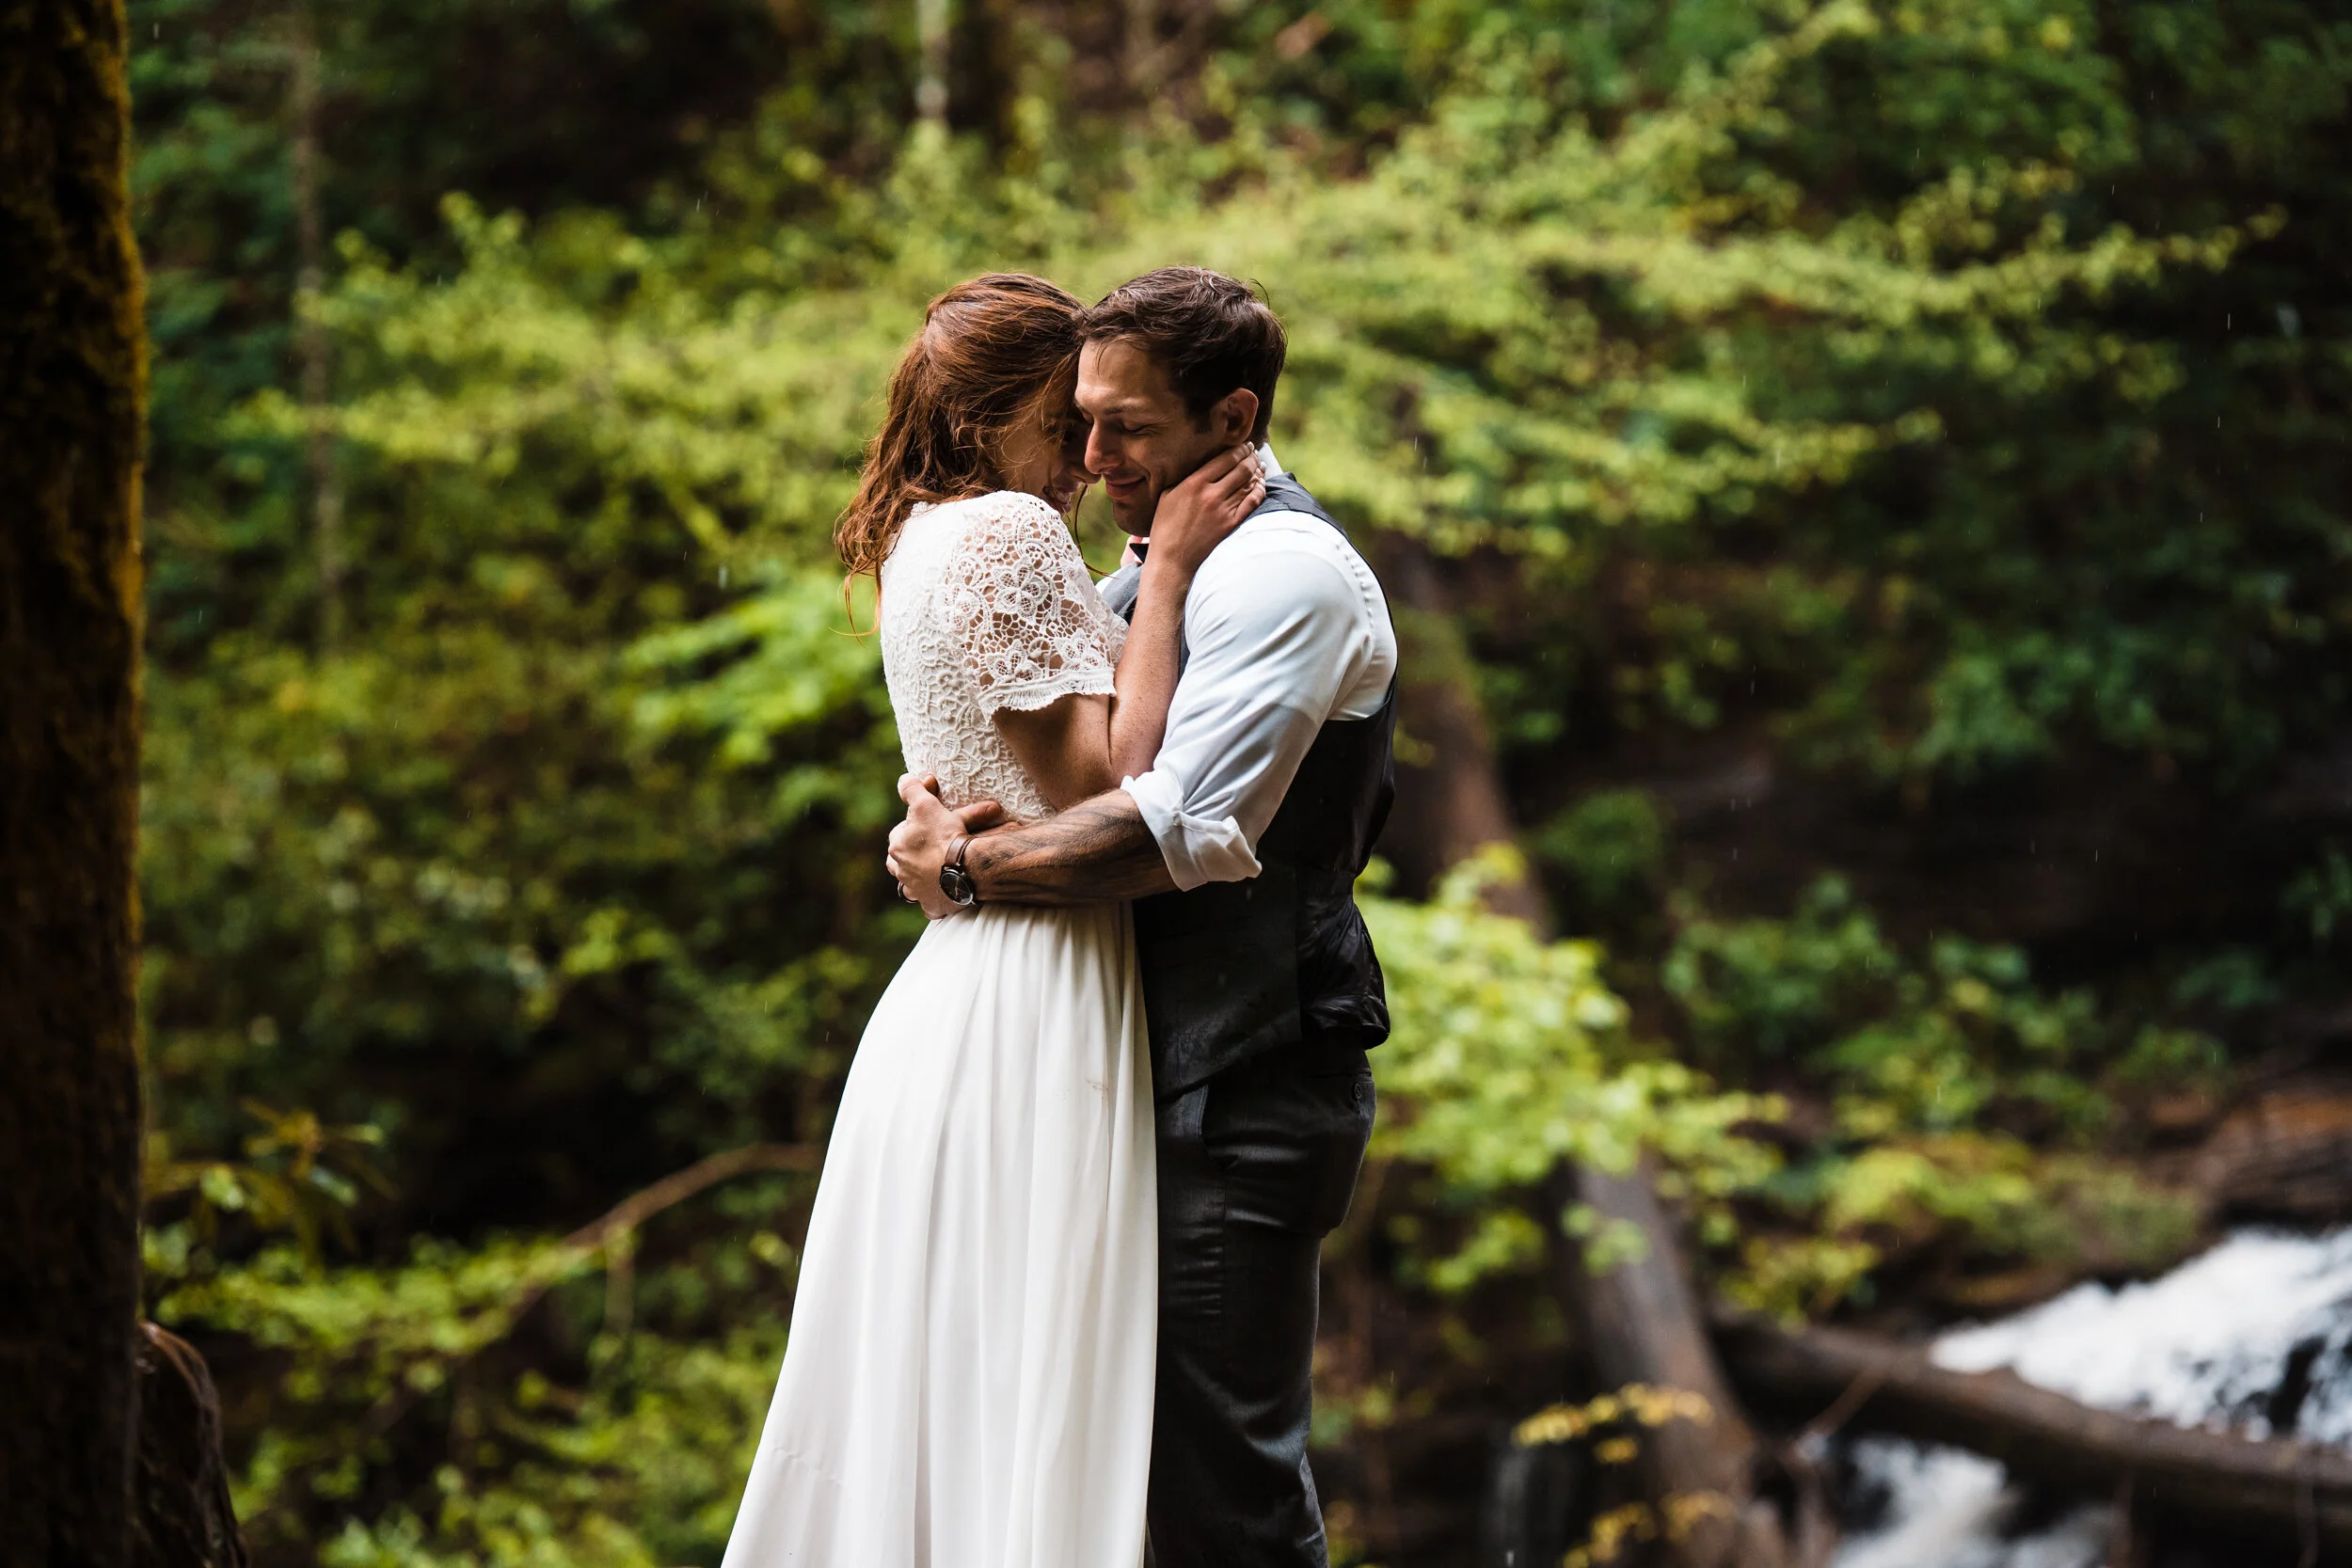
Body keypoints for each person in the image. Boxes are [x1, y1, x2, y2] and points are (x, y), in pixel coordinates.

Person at [722, 272, 1265, 1568]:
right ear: (994, 413)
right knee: (1029, 1370)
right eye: (1060, 419)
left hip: (962, 978)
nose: (1084, 455)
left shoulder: (923, 535)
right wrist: (1175, 570)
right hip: (1041, 981)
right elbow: (1111, 786)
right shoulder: (1010, 534)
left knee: (948, 1375)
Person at [889, 266, 1401, 1568]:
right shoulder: (1137, 572)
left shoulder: (1286, 574)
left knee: (1218, 1493)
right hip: (1119, 1080)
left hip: (1241, 1084)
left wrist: (963, 877)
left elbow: (1172, 827)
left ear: (1233, 422)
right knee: (1109, 1486)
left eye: (1129, 427)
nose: (1093, 455)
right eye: (1083, 418)